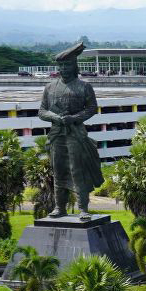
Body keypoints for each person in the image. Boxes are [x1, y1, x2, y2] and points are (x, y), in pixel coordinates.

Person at [38, 42, 105, 217]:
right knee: (58, 170)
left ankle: (83, 208)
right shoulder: (49, 87)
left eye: (67, 65)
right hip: (56, 135)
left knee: (77, 170)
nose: (64, 69)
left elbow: (92, 108)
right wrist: (55, 117)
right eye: (61, 65)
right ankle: (60, 207)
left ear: (74, 66)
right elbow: (42, 111)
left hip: (75, 134)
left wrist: (74, 118)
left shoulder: (84, 86)